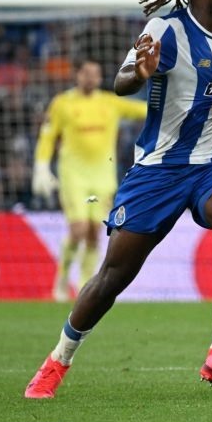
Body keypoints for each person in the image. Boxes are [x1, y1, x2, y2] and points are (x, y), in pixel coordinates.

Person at [25, 0, 212, 399]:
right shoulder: (166, 28)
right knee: (114, 274)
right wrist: (141, 71)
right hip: (158, 169)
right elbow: (121, 84)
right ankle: (57, 361)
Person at [32, 59, 146, 302]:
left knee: (95, 232)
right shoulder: (62, 103)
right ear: (77, 75)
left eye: (96, 74)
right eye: (86, 73)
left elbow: (144, 110)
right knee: (79, 229)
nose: (91, 78)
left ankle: (84, 285)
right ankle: (62, 281)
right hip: (73, 175)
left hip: (103, 177)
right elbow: (47, 136)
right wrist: (42, 167)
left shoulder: (109, 102)